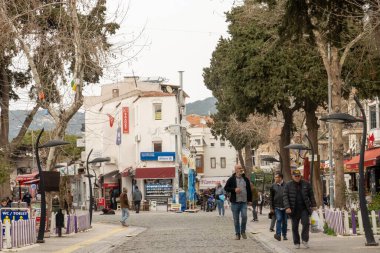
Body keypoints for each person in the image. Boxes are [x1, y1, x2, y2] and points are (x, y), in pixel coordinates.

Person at [283, 169, 317, 249]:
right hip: (293, 209)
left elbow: (311, 195)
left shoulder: (306, 184)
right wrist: (287, 207)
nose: (297, 177)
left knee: (306, 224)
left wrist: (314, 205)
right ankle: (296, 242)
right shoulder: (288, 185)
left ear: (300, 176)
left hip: (304, 209)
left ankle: (305, 240)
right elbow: (285, 197)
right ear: (292, 176)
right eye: (296, 176)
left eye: (299, 176)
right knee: (295, 227)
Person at [224, 164, 252, 240]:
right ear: (236, 170)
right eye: (239, 168)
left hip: (243, 202)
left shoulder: (245, 179)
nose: (241, 169)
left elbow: (249, 190)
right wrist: (234, 190)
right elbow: (226, 188)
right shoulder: (231, 179)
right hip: (235, 203)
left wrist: (250, 200)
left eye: (241, 168)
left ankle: (243, 231)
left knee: (244, 217)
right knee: (236, 220)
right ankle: (237, 234)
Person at [270, 172, 287, 241]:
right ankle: (278, 235)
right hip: (277, 207)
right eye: (275, 177)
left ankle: (284, 235)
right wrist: (271, 207)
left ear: (280, 178)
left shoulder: (286, 185)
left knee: (285, 221)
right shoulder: (273, 186)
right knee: (279, 219)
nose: (275, 178)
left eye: (276, 177)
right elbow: (271, 197)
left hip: (285, 206)